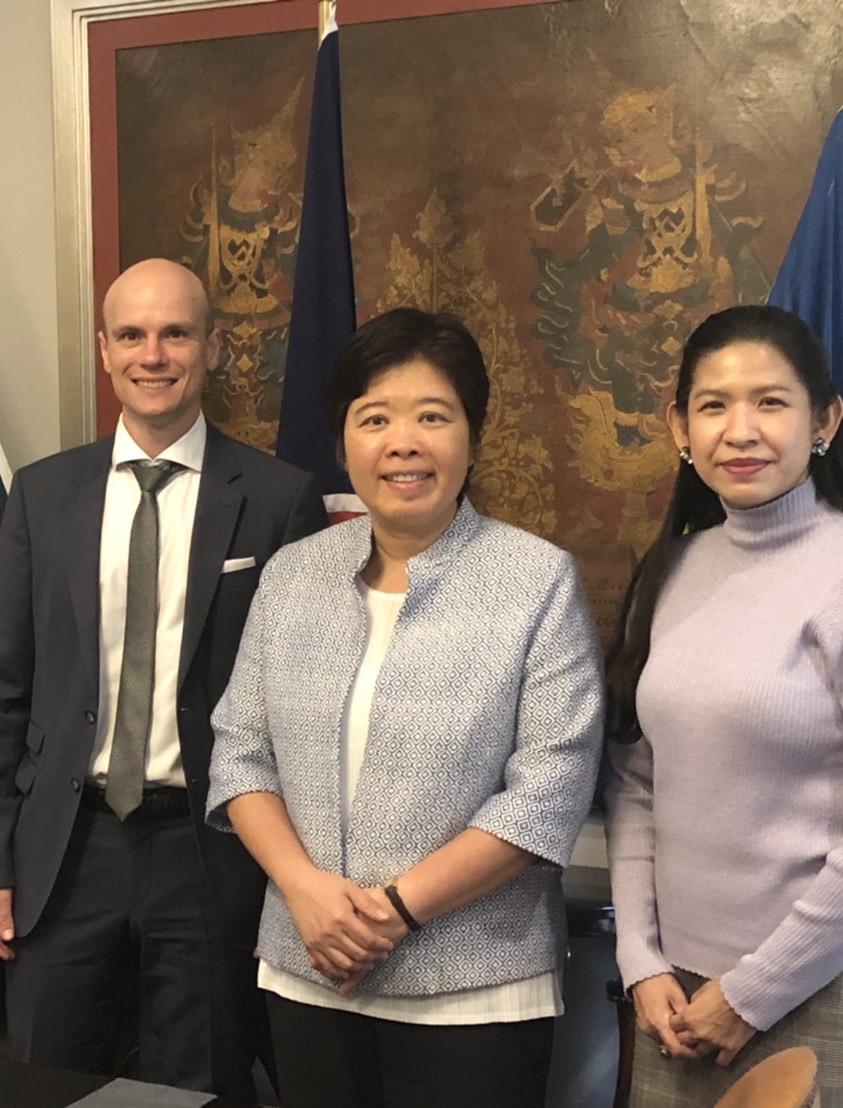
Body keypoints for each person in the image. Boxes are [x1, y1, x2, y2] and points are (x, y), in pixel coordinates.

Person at [206, 307, 604, 1108]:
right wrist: (306, 892)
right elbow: (239, 753)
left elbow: (546, 794)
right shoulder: (292, 576)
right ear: (343, 440)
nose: (403, 442)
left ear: (473, 435)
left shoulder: (536, 581)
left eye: (432, 416)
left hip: (477, 990)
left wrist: (389, 914)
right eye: (375, 418)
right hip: (308, 969)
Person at [0, 258, 326, 1095]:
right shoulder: (43, 493)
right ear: (104, 350)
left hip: (208, 849)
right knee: (47, 1079)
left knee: (198, 1084)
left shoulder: (278, 499)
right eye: (131, 335)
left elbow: (302, 704)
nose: (152, 355)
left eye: (175, 334)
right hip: (63, 849)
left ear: (214, 347)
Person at [605, 304, 843, 1107]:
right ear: (680, 426)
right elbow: (636, 781)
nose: (740, 431)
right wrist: (640, 960)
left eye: (771, 402)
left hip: (826, 989)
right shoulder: (671, 569)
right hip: (675, 1000)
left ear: (824, 420)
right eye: (713, 405)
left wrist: (750, 994)